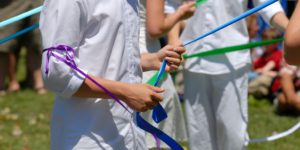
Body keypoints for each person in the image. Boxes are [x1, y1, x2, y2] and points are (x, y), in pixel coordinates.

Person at [39, 0, 185, 149]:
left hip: (129, 133)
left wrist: (149, 60)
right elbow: (56, 73)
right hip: (87, 136)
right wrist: (126, 92)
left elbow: (104, 54)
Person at [170, 0, 289, 149]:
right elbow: (171, 5)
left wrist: (290, 29)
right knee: (199, 134)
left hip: (233, 61)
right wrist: (173, 40)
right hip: (193, 59)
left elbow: (267, 5)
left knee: (232, 134)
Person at [138, 0, 195, 149]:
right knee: (156, 142)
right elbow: (155, 28)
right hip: (149, 69)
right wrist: (181, 14)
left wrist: (173, 37)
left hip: (121, 71)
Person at [0, 0, 45, 95]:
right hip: (10, 3)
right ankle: (5, 84)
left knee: (36, 41)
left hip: (37, 2)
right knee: (4, 44)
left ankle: (38, 84)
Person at [248, 28, 283, 98]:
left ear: (275, 43)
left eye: (267, 43)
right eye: (263, 42)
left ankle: (246, 90)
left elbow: (265, 70)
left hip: (272, 81)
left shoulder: (277, 54)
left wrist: (258, 71)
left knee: (259, 80)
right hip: (262, 77)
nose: (264, 44)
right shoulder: (265, 55)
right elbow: (253, 67)